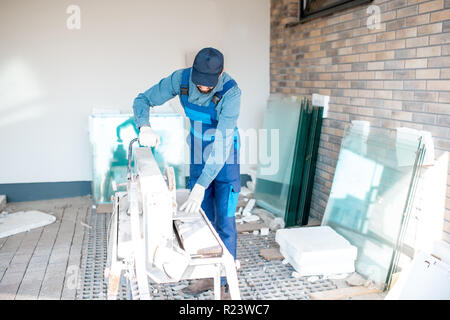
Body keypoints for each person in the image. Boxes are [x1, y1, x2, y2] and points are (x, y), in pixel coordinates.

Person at [132, 47, 241, 299]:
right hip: (198, 153)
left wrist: (202, 185)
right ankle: (206, 276)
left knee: (224, 221)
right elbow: (142, 99)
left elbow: (222, 143)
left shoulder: (232, 92)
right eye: (199, 83)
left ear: (221, 73)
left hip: (226, 158)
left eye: (208, 85)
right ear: (193, 71)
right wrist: (144, 126)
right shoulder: (179, 80)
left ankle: (224, 284)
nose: (203, 89)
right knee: (202, 218)